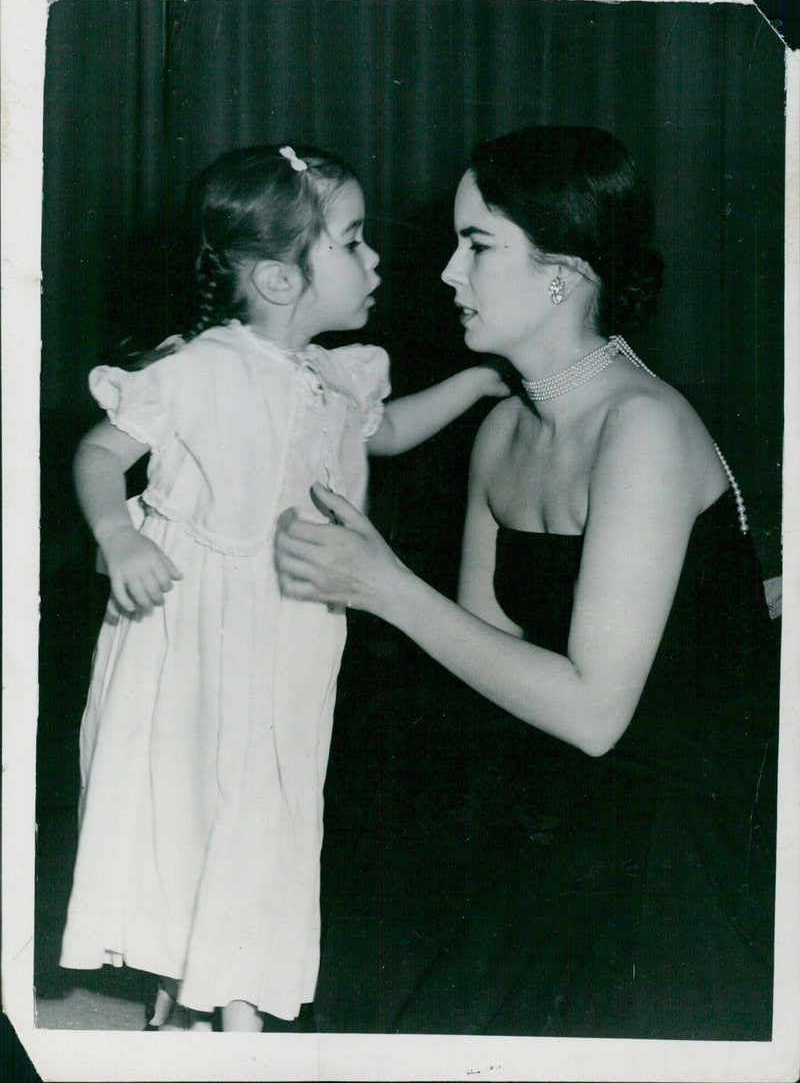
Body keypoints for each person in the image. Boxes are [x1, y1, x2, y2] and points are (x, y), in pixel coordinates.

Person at [274, 127, 779, 1039]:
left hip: (675, 817)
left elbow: (595, 713)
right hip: (558, 788)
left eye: (476, 246)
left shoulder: (643, 429)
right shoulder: (505, 430)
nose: (445, 275)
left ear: (565, 270)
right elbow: (486, 645)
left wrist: (385, 587)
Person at [58, 142, 508, 1032]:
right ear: (275, 280)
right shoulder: (201, 368)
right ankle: (213, 1006)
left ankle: (225, 995)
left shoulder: (339, 374)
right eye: (352, 241)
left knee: (269, 811)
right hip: (190, 638)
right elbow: (101, 453)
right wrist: (116, 535)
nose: (376, 259)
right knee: (194, 809)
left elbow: (378, 435)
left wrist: (477, 381)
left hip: (291, 634)